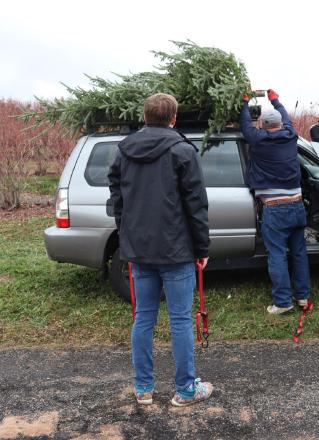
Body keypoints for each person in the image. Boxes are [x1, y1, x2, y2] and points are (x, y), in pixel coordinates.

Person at [108, 92, 213, 407]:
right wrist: (202, 246)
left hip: (139, 250)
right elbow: (197, 204)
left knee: (143, 317)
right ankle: (185, 390)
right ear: (173, 118)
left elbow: (117, 198)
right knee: (180, 319)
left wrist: (126, 230)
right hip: (176, 250)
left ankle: (143, 389)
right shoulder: (183, 151)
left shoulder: (123, 151)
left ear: (145, 117)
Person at [239, 89, 311, 314]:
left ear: (262, 125)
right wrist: (275, 99)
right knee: (299, 252)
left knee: (277, 254)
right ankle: (302, 297)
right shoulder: (290, 135)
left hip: (275, 209)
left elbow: (244, 123)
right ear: (280, 124)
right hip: (297, 205)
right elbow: (285, 115)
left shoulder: (258, 139)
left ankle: (283, 302)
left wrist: (244, 100)